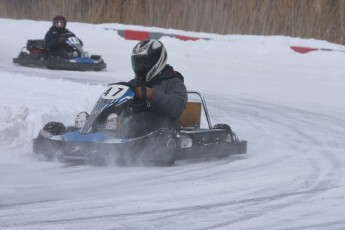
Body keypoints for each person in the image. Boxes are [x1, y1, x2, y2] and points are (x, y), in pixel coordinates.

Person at [120, 39, 188, 138]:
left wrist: (151, 94)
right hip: (137, 131)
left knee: (141, 119)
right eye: (138, 63)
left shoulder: (174, 82)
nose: (140, 66)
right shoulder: (136, 83)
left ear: (157, 60)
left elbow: (176, 107)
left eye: (144, 63)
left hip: (163, 131)